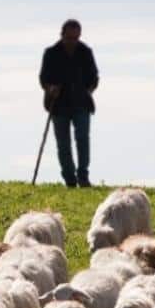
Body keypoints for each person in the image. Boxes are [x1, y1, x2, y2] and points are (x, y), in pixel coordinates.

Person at [39, 19, 99, 188]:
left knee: (82, 139)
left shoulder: (85, 52)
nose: (73, 41)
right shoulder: (51, 53)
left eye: (76, 38)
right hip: (58, 105)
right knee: (63, 143)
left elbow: (94, 77)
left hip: (81, 103)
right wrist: (50, 89)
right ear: (62, 35)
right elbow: (43, 78)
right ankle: (69, 178)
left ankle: (83, 177)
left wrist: (88, 91)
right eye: (69, 38)